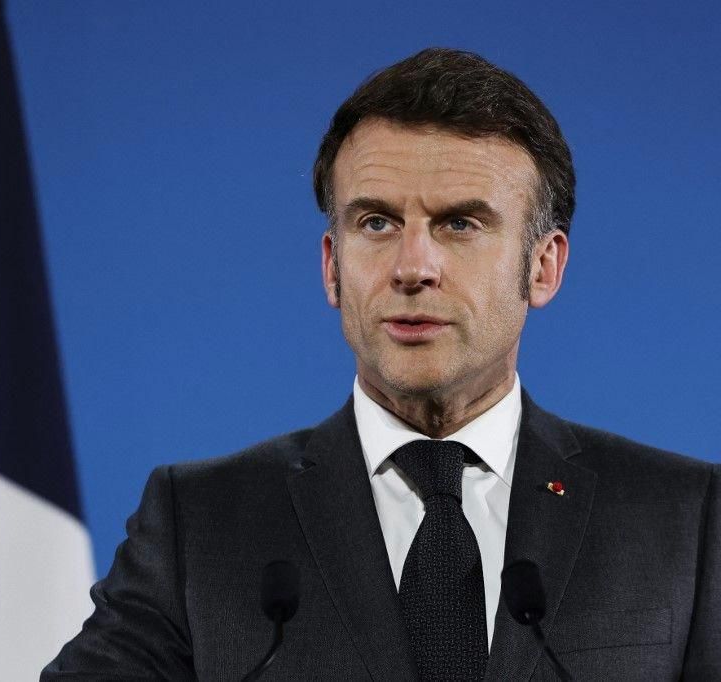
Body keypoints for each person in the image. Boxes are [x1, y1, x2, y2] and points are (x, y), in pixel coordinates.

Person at [42, 48, 720, 680]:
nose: (412, 267)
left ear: (543, 267)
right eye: (376, 223)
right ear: (333, 267)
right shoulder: (200, 523)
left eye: (459, 223)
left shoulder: (685, 519)